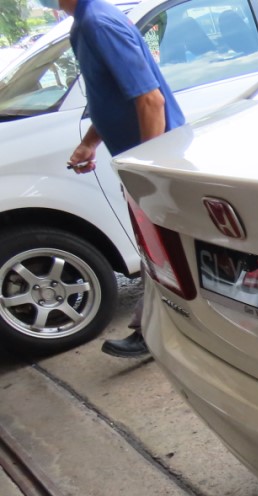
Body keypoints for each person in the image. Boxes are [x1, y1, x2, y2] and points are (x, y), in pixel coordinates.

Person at [62, 0, 184, 358]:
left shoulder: (98, 23)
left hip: (156, 163)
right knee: (160, 253)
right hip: (144, 162)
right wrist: (89, 143)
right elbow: (113, 98)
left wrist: (146, 171)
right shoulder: (84, 24)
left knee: (163, 253)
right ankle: (154, 328)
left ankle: (154, 331)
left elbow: (150, 101)